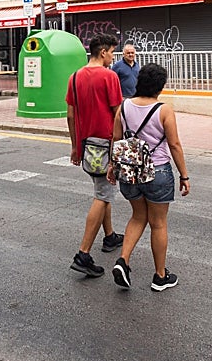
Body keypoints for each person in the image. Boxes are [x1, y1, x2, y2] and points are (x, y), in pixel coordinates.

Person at [110, 63, 190, 292]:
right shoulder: (164, 110)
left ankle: (123, 260)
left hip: (129, 172)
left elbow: (115, 139)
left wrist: (111, 166)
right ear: (160, 87)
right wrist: (184, 175)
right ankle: (160, 276)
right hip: (157, 171)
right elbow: (174, 144)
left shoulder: (123, 107)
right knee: (158, 223)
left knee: (137, 217)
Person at [65, 34, 125, 276]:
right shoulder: (109, 76)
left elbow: (70, 115)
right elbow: (118, 115)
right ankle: (83, 253)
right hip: (106, 144)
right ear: (103, 53)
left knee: (102, 190)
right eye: (112, 52)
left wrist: (74, 147)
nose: (113, 57)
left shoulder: (75, 77)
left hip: (86, 144)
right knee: (102, 195)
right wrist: (119, 148)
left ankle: (109, 236)